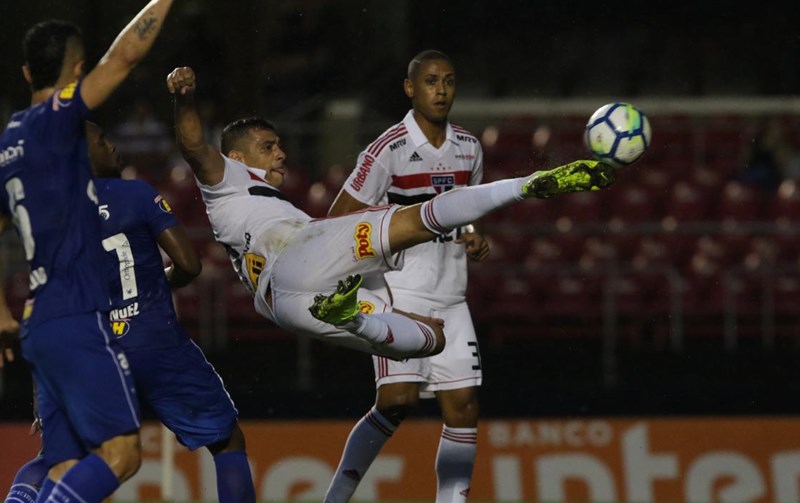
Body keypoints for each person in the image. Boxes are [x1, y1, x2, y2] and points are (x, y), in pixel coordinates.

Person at [166, 65, 616, 362]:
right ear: (237, 156)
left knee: (431, 340)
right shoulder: (224, 179)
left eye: (280, 144)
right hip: (299, 254)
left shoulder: (260, 200)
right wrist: (185, 99)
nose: (281, 153)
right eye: (268, 147)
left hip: (288, 306)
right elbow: (192, 145)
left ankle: (353, 317)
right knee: (417, 219)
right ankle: (528, 185)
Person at [1, 122, 259, 503]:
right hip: (153, 341)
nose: (113, 145)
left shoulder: (45, 211)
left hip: (83, 347)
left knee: (54, 459)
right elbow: (189, 265)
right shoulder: (135, 193)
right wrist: (154, 283)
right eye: (103, 140)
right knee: (226, 441)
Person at [0, 3, 175, 503]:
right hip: (78, 312)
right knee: (121, 454)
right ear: (77, 71)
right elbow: (122, 58)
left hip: (40, 323)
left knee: (63, 463)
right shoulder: (58, 120)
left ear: (28, 71)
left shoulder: (9, 141)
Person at [317, 49, 485, 503]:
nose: (442, 90)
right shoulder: (386, 150)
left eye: (449, 81)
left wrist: (473, 235)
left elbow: (468, 210)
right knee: (397, 401)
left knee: (464, 407)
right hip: (398, 291)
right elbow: (337, 221)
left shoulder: (470, 147)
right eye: (431, 81)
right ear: (410, 88)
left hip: (452, 295)